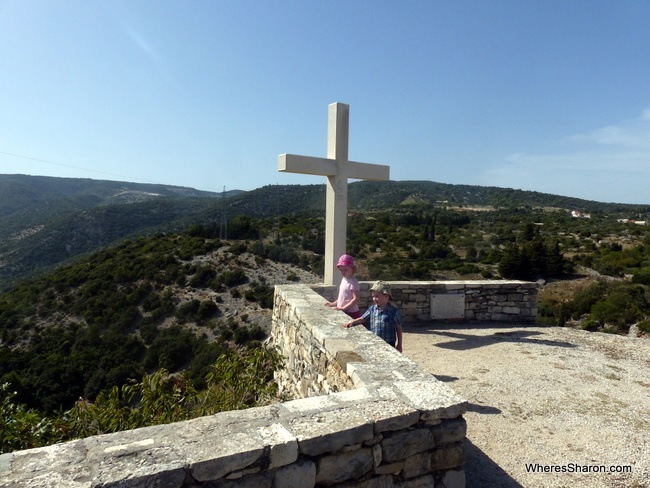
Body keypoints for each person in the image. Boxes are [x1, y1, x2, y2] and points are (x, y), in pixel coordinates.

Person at [342, 281, 403, 352]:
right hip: (375, 341)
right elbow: (362, 319)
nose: (374, 299)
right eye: (373, 296)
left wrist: (399, 344)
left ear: (386, 296)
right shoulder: (372, 309)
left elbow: (398, 328)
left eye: (377, 296)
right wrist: (353, 322)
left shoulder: (393, 311)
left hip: (389, 342)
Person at [325, 254, 361, 319]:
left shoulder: (353, 282)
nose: (342, 272)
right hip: (343, 310)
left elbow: (356, 299)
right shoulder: (343, 280)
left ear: (352, 269)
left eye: (345, 269)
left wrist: (344, 308)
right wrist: (333, 304)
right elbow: (343, 297)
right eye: (341, 269)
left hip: (351, 313)